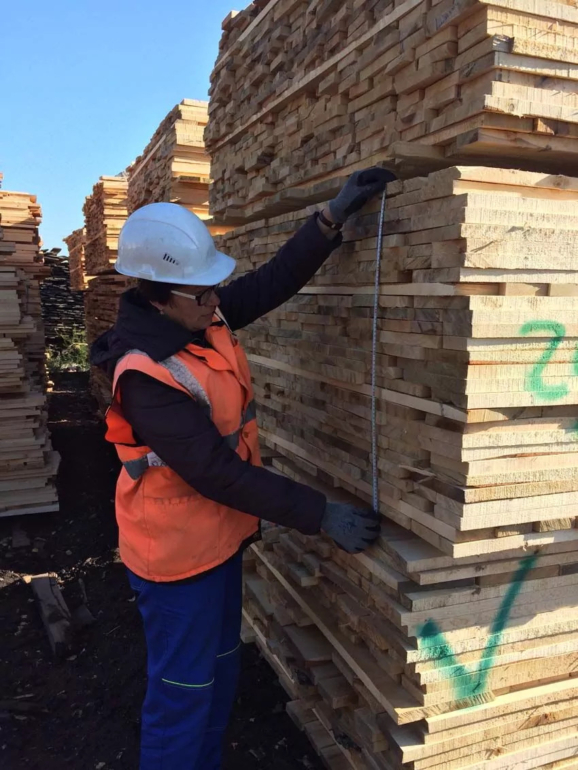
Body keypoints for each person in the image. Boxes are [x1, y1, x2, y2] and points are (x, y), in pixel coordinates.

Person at [91, 167, 394, 770]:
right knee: (183, 697)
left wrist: (328, 221)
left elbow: (271, 283)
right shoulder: (145, 375)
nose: (215, 300)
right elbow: (216, 473)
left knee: (220, 675)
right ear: (158, 292)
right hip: (175, 562)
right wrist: (320, 513)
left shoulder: (198, 314)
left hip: (218, 540)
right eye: (202, 292)